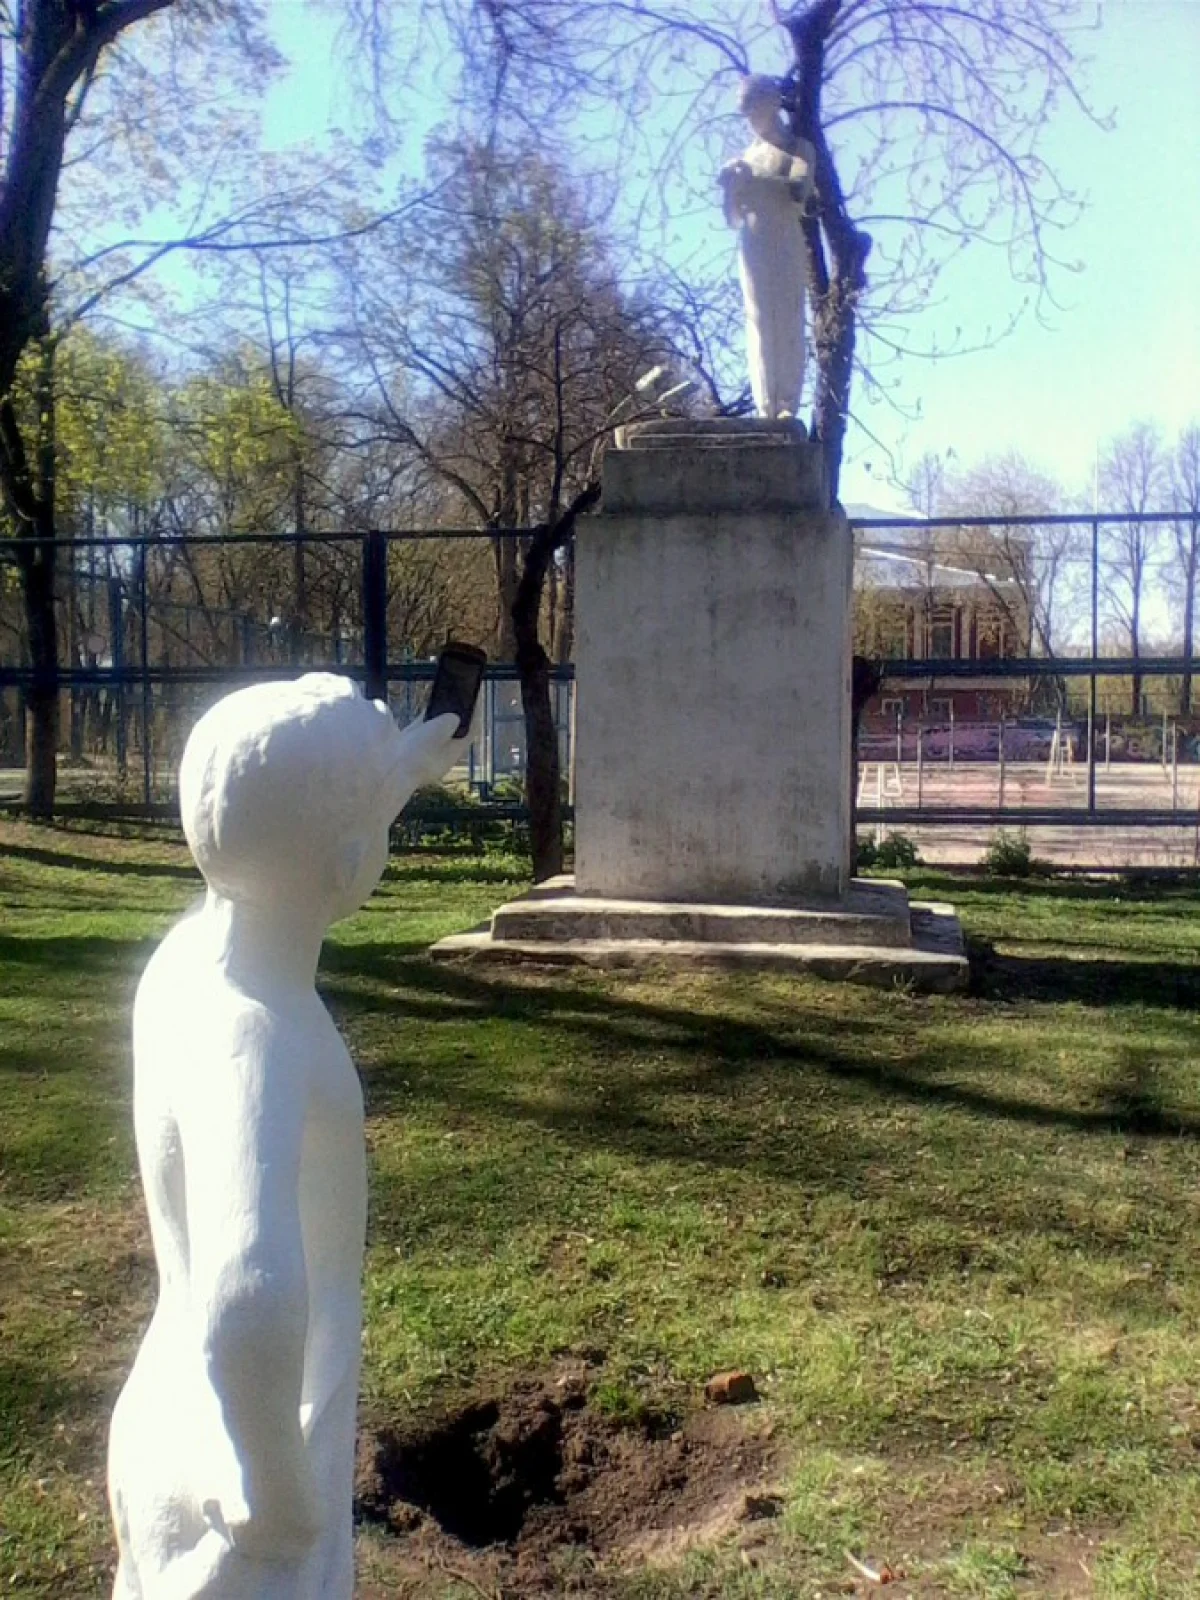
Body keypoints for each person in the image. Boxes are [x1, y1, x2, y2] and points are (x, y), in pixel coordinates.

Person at [107, 675, 462, 1599]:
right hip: (245, 1491)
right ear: (348, 866)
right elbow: (249, 1293)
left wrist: (398, 774)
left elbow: (292, 834)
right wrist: (276, 1496)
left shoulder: (189, 958)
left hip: (173, 1418)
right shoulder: (261, 1035)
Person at [719, 74, 816, 420]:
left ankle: (787, 402)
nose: (750, 116)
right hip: (753, 242)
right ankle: (766, 405)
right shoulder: (745, 158)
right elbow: (732, 217)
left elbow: (799, 190)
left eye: (754, 106)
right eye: (745, 110)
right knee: (758, 320)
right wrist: (730, 188)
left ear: (772, 103)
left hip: (785, 237)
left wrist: (753, 180)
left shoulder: (796, 148)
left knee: (787, 316)